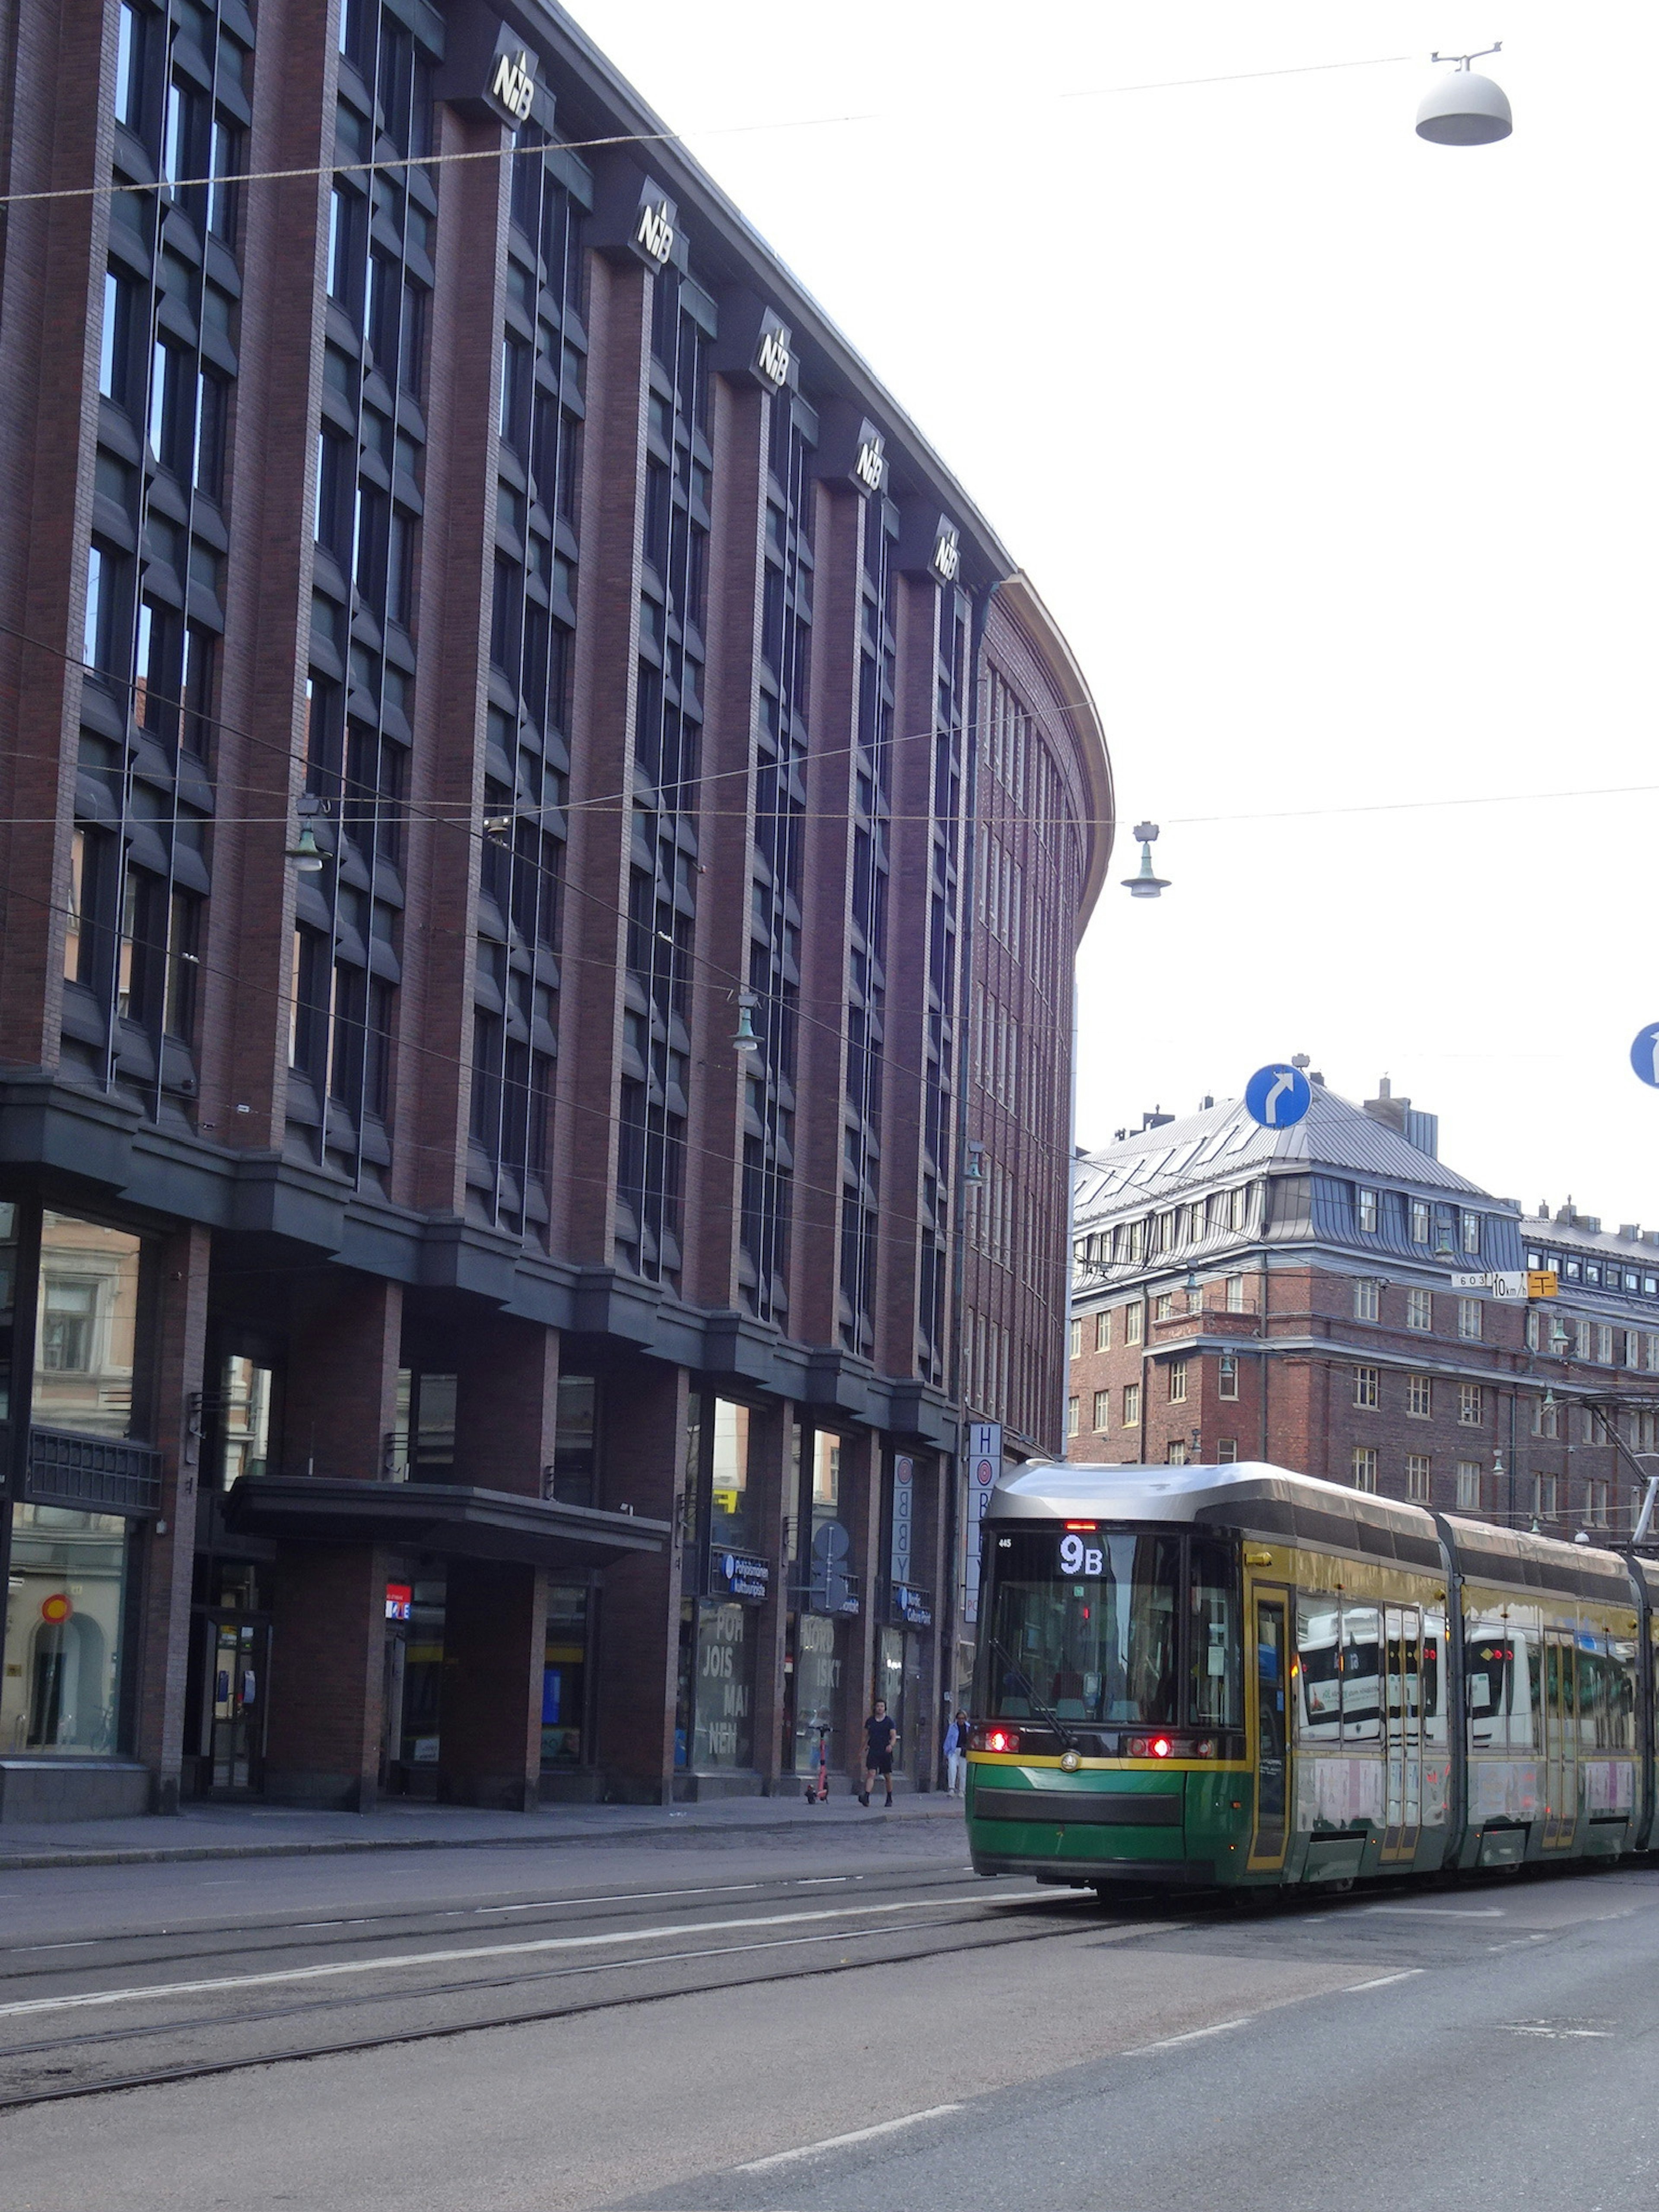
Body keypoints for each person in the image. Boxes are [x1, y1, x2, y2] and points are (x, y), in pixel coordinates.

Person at [859, 1699, 897, 1808]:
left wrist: (891, 1745)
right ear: (875, 1708)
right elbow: (866, 1737)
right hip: (874, 1750)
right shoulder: (870, 1721)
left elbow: (893, 1736)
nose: (880, 1708)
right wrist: (862, 1750)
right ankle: (866, 1797)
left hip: (885, 1751)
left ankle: (889, 1797)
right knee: (871, 1773)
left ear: (885, 1708)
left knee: (887, 1775)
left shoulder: (889, 1722)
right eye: (878, 1706)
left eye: (882, 1706)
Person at [943, 1709, 969, 1796]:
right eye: (959, 1718)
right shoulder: (953, 1727)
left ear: (965, 1719)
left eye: (963, 1718)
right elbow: (948, 1739)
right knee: (952, 1769)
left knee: (963, 1771)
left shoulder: (968, 1728)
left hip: (964, 1751)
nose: (961, 1720)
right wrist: (947, 1751)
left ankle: (962, 1790)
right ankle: (952, 1789)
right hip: (953, 1751)